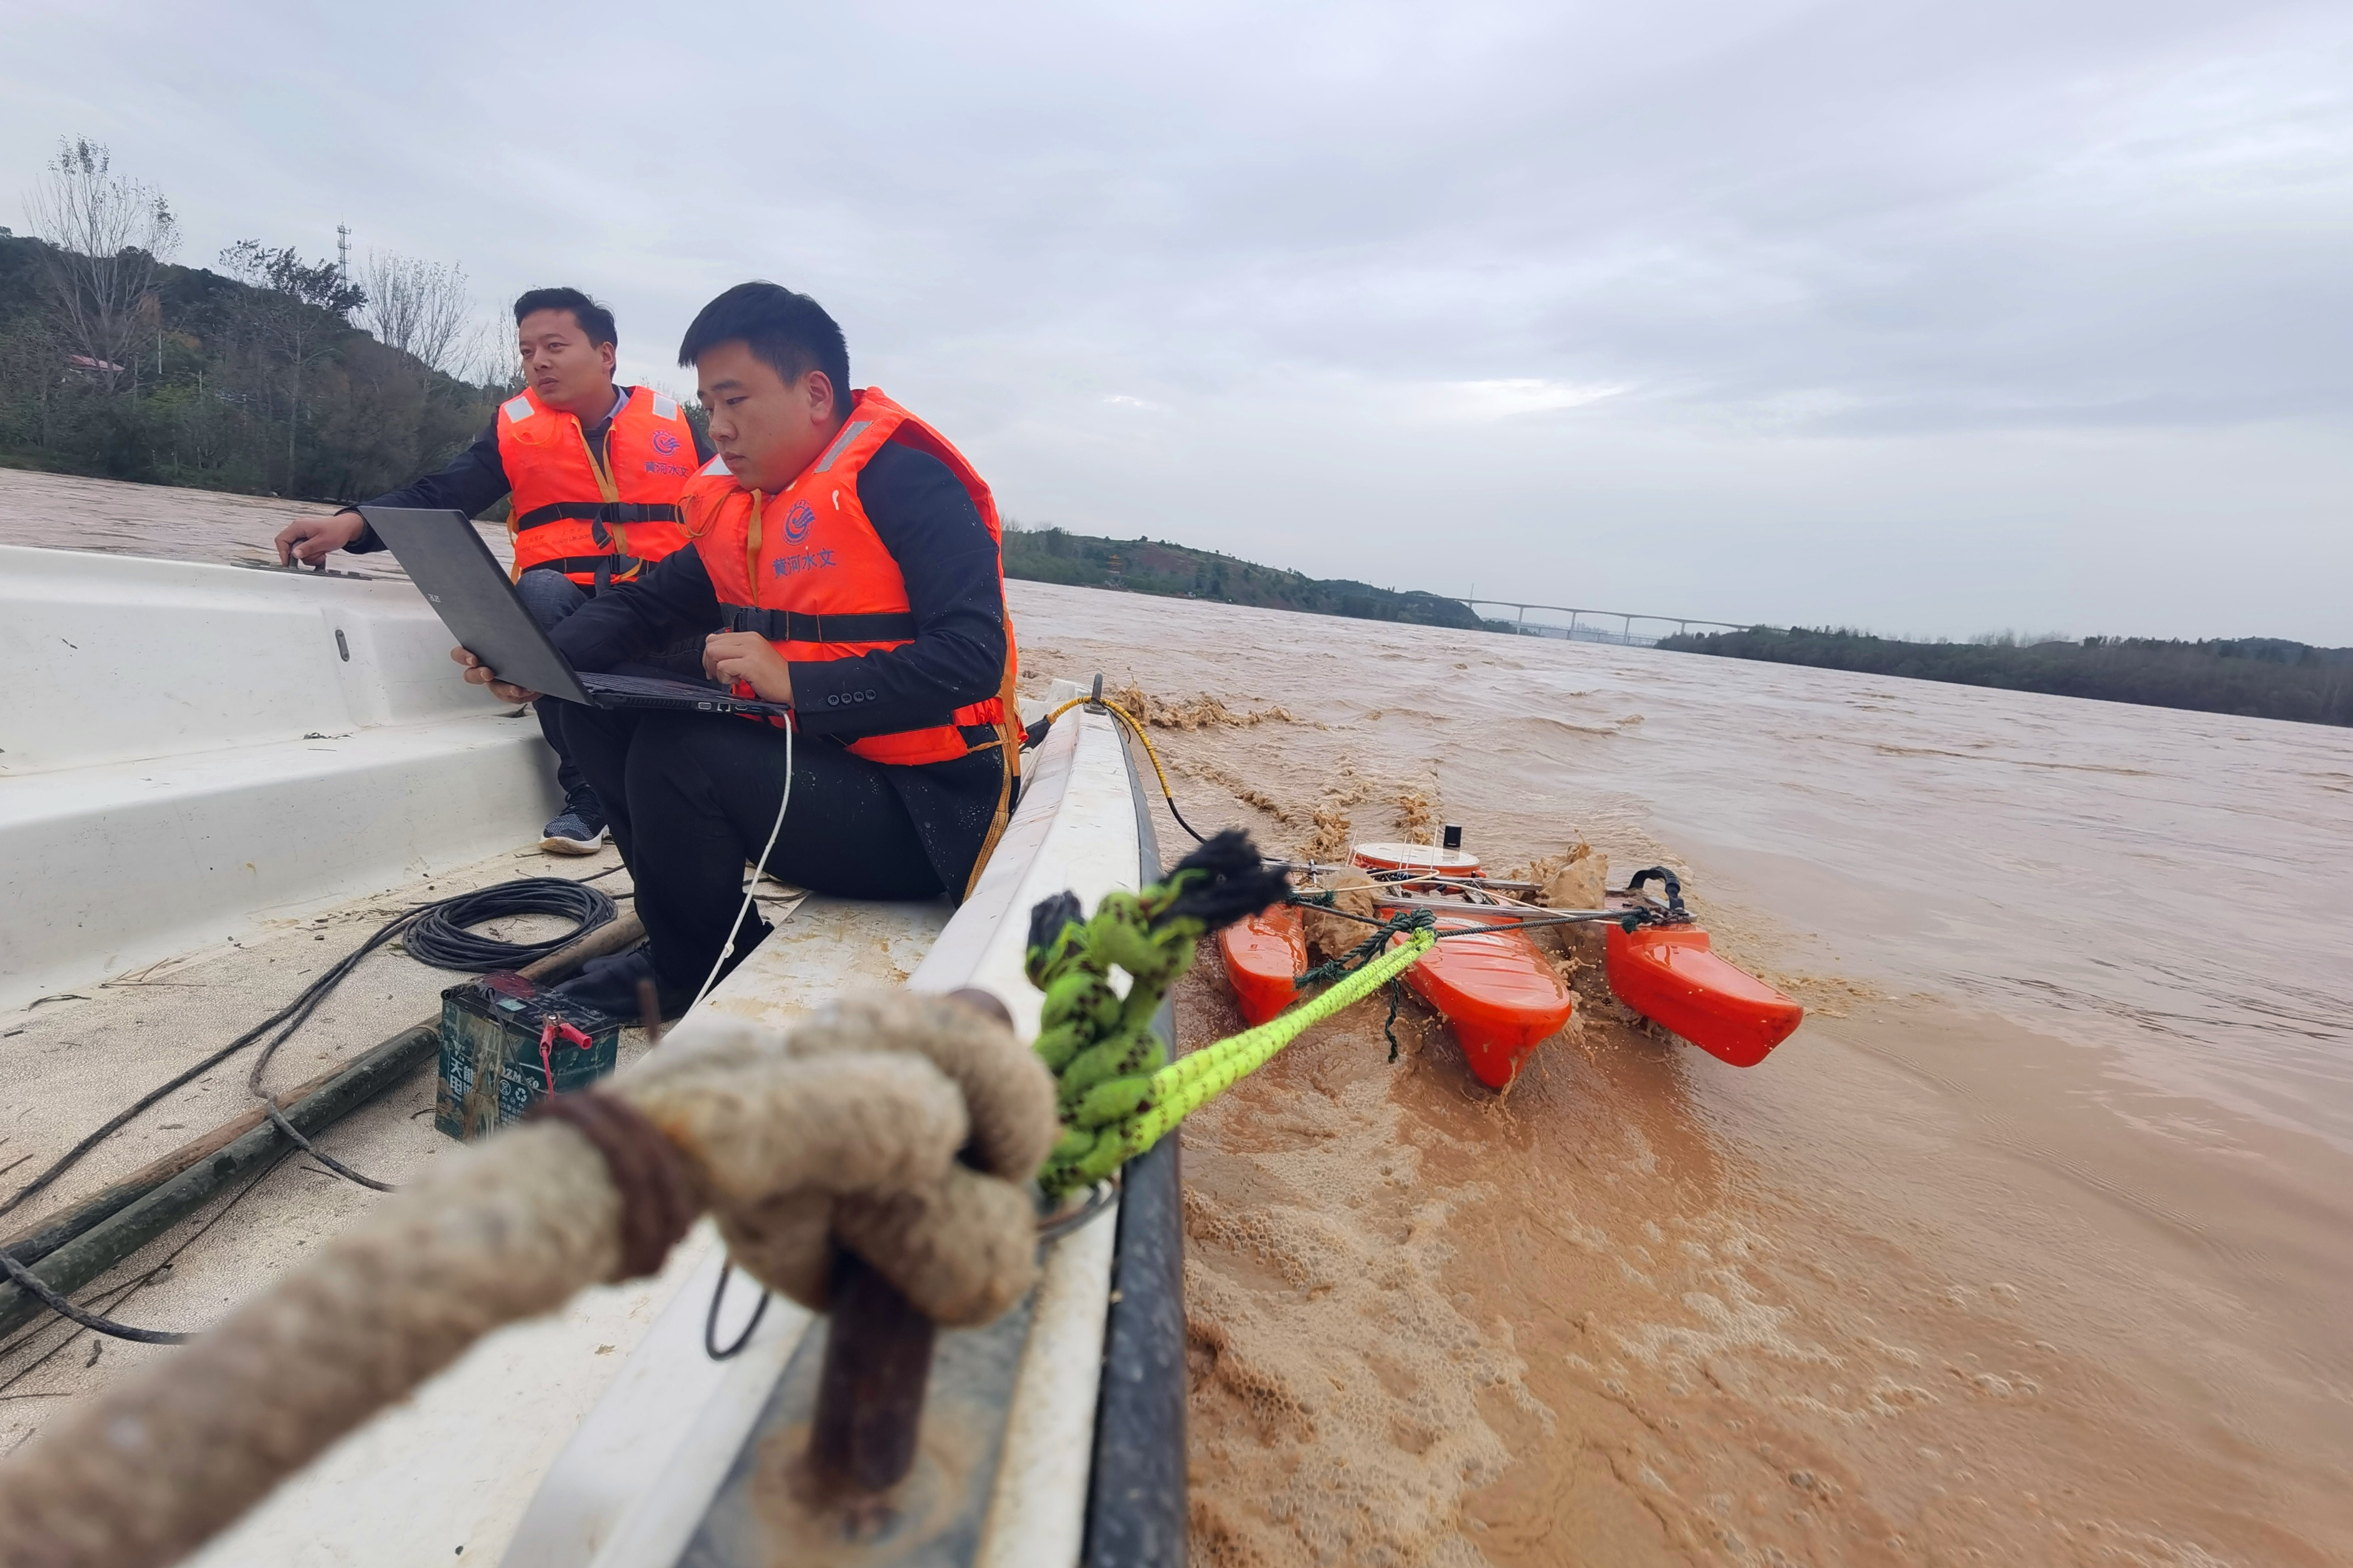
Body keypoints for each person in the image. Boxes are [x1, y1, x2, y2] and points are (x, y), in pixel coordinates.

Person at [452, 282, 1021, 1019]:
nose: (716, 429)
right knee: (588, 699)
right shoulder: (747, 505)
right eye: (707, 406)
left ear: (816, 393)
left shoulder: (907, 481)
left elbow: (971, 655)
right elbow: (644, 603)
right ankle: (696, 938)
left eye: (734, 401)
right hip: (809, 776)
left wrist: (798, 682)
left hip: (927, 819)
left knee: (680, 750)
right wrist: (532, 660)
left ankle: (691, 975)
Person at [273, 287, 709, 855]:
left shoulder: (676, 425)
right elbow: (444, 492)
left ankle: (707, 785)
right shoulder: (515, 429)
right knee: (541, 590)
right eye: (527, 352)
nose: (539, 362)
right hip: (568, 613)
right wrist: (353, 524)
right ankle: (590, 794)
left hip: (659, 608)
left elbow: (738, 509)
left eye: (555, 346)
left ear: (606, 354)